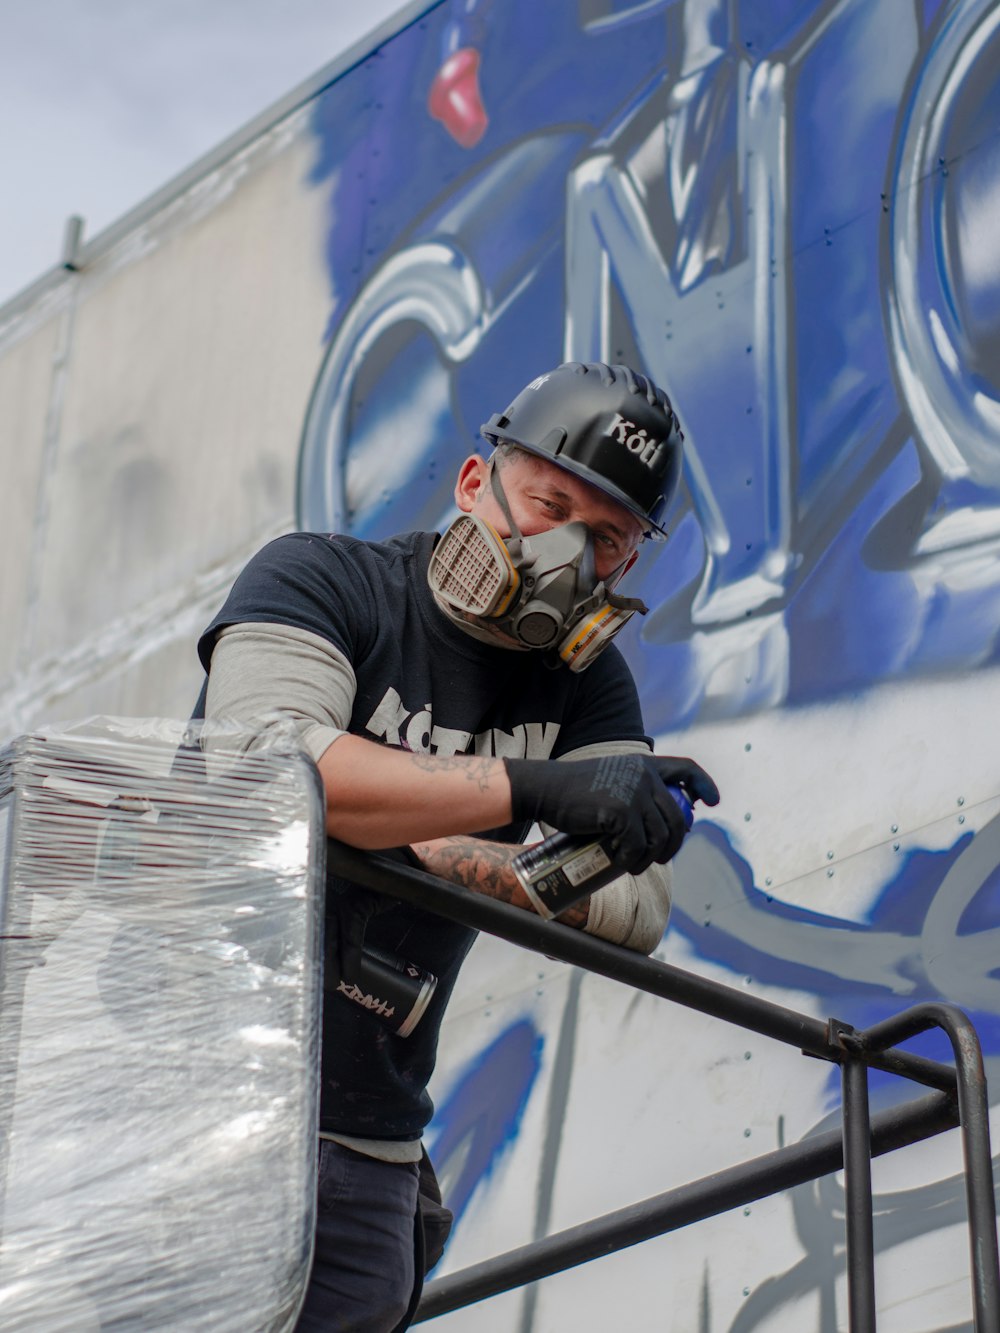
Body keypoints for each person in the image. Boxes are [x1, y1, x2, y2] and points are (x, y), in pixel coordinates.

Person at [194, 361, 720, 1331]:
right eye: (547, 503)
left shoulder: (587, 689)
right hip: (190, 1079)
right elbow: (265, 768)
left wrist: (403, 836)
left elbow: (637, 908)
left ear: (630, 563)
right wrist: (527, 790)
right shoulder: (319, 577)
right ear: (477, 485)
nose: (565, 551)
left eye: (604, 537)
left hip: (367, 1137)